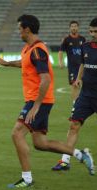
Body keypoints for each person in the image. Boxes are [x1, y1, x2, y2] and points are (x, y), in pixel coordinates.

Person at [0, 15, 94, 188]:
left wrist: (37, 105)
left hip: (38, 101)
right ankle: (80, 154)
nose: (18, 31)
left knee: (17, 133)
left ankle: (27, 179)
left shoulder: (38, 50)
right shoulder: (28, 48)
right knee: (40, 143)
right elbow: (25, 64)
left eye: (19, 28)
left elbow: (46, 79)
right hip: (36, 100)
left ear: (27, 29)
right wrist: (6, 63)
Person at [52, 18, 97, 173]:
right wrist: (78, 78)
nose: (93, 34)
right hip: (85, 96)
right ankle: (65, 161)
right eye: (91, 31)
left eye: (96, 31)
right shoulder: (86, 46)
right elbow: (83, 64)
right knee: (73, 125)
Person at [58, 21, 86, 103]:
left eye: (75, 26)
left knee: (84, 85)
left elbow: (85, 52)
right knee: (74, 85)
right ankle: (75, 105)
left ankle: (83, 103)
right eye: (72, 26)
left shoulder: (82, 39)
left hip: (82, 66)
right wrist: (61, 62)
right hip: (72, 67)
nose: (74, 28)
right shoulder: (66, 39)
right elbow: (60, 51)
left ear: (78, 28)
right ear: (70, 28)